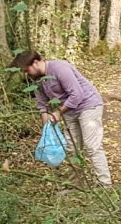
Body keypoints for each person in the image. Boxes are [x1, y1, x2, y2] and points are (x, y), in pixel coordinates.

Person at [12, 51, 112, 187]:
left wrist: (58, 113)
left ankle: (105, 185)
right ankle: (76, 185)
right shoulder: (36, 80)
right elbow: (41, 103)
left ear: (35, 62)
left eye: (26, 69)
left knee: (92, 146)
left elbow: (77, 94)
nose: (26, 73)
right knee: (71, 148)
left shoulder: (60, 68)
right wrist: (46, 122)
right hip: (69, 111)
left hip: (88, 106)